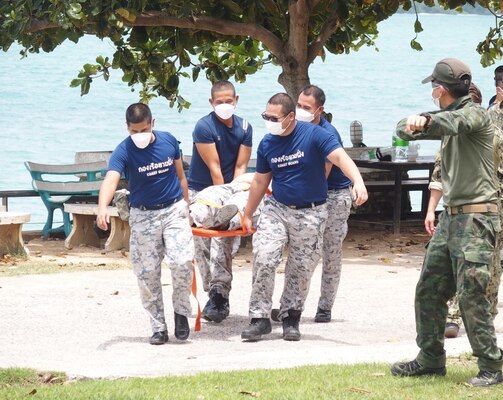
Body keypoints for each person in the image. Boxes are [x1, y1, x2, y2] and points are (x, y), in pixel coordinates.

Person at [390, 58, 503, 386]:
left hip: (478, 218)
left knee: (472, 294)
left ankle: (492, 366)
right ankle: (430, 359)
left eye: (434, 86)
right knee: (429, 289)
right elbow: (401, 129)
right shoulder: (444, 116)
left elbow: (456, 124)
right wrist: (415, 122)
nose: (432, 91)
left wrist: (424, 121)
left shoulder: (476, 115)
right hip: (451, 218)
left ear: (440, 89)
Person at [240, 93, 368, 342]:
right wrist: (247, 213)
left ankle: (291, 317)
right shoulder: (267, 143)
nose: (269, 121)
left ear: (290, 117)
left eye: (273, 117)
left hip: (311, 212)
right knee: (265, 257)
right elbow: (259, 181)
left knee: (301, 267)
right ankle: (259, 317)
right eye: (265, 116)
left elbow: (341, 158)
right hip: (276, 208)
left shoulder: (315, 135)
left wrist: (358, 181)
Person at [96, 103, 194, 345]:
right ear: (127, 128)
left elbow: (180, 175)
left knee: (182, 263)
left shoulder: (169, 141)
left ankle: (181, 313)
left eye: (144, 129)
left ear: (153, 123)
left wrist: (186, 206)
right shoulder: (124, 150)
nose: (139, 135)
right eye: (134, 131)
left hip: (173, 210)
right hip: (143, 215)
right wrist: (102, 208)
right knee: (147, 273)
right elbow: (111, 180)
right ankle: (158, 326)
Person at [425, 83, 503, 340]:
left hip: (489, 207)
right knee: (467, 265)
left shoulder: (493, 132)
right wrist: (431, 209)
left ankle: (484, 322)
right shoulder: (452, 134)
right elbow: (440, 171)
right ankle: (456, 317)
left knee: (488, 267)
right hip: (470, 210)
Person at [188, 80, 253, 323]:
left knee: (225, 244)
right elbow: (214, 168)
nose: (224, 105)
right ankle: (211, 291)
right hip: (205, 191)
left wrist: (236, 196)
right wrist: (222, 196)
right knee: (202, 245)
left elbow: (241, 165)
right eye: (219, 102)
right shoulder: (203, 127)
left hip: (232, 192)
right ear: (211, 103)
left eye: (229, 101)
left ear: (236, 100)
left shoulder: (245, 127)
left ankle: (220, 294)